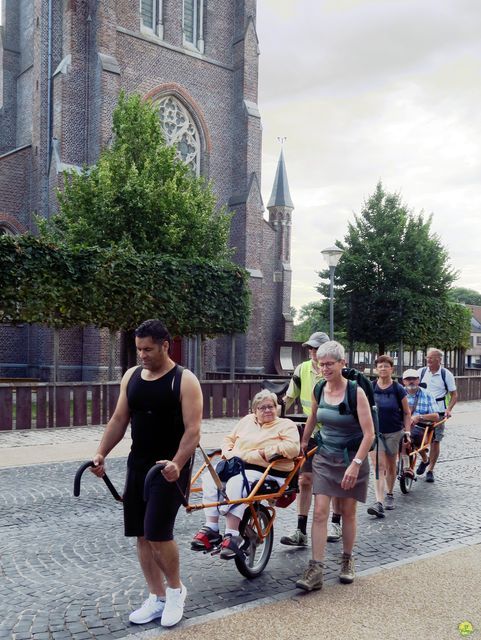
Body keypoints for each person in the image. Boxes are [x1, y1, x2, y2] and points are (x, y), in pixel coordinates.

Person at [90, 319, 203, 628]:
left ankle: (176, 590)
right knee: (141, 534)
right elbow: (118, 419)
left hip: (169, 468)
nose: (142, 355)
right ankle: (157, 597)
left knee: (157, 532)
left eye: (148, 349)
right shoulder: (132, 376)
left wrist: (178, 463)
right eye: (138, 349)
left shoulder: (184, 380)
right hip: (138, 464)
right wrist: (101, 453)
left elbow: (193, 432)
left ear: (165, 345)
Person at [296, 341, 375, 591]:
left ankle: (347, 559)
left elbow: (369, 434)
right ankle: (316, 569)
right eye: (321, 364)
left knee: (348, 511)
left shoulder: (356, 392)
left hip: (353, 458)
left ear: (342, 363)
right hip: (325, 457)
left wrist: (355, 464)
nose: (325, 368)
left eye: (330, 363)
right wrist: (304, 440)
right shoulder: (319, 388)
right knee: (320, 511)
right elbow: (313, 416)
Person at [191, 390, 300, 558]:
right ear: (254, 410)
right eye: (262, 408)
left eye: (271, 406)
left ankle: (233, 534)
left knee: (236, 483)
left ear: (276, 408)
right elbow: (228, 440)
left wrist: (264, 453)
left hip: (269, 470)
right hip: (240, 466)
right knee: (210, 479)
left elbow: (293, 448)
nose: (267, 410)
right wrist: (228, 452)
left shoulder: (286, 425)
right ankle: (211, 528)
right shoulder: (246, 421)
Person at [280, 331, 344, 547]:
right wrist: (274, 416)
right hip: (311, 433)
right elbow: (290, 397)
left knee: (334, 480)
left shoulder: (336, 371)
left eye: (316, 349)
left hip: (334, 433)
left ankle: (336, 522)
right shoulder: (302, 369)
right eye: (310, 348)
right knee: (304, 480)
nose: (312, 352)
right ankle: (300, 530)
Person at [367, 355, 411, 518]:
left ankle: (390, 494)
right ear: (376, 370)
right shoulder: (371, 387)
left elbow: (407, 412)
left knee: (391, 465)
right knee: (379, 466)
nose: (383, 369)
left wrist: (407, 431)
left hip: (394, 431)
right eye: (380, 366)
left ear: (392, 369)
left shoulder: (398, 389)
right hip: (375, 432)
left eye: (386, 366)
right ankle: (379, 502)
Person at [416, 349, 458, 482]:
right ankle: (424, 459)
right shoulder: (421, 372)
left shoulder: (446, 374)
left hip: (438, 412)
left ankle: (430, 470)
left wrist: (449, 409)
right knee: (414, 438)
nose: (428, 360)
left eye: (432, 358)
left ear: (440, 360)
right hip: (421, 411)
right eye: (427, 358)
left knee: (435, 441)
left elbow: (454, 394)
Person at [402, 368, 440, 476]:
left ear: (418, 380)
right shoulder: (399, 393)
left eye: (414, 379)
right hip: (402, 425)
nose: (411, 381)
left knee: (411, 437)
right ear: (403, 381)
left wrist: (419, 417)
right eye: (408, 379)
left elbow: (436, 416)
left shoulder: (427, 394)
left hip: (422, 427)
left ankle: (413, 464)